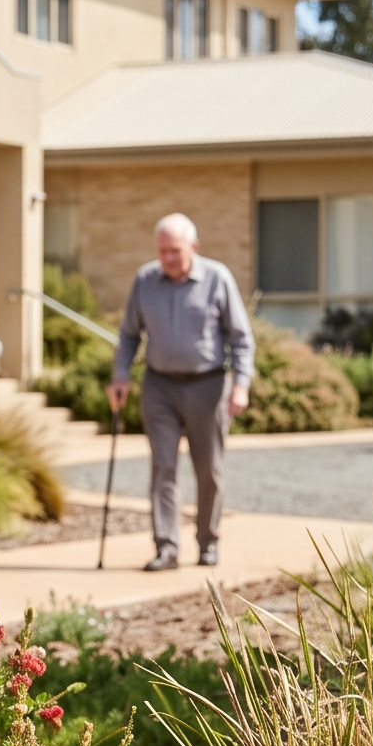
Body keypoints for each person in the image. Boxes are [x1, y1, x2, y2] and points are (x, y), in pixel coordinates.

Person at [106, 214, 254, 572]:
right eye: (162, 251)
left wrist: (241, 383)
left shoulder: (217, 278)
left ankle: (208, 542)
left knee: (209, 470)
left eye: (175, 250)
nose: (168, 258)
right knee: (163, 468)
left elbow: (240, 337)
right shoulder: (145, 280)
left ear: (193, 247)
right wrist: (121, 375)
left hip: (208, 385)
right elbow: (128, 335)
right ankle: (166, 547)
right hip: (160, 386)